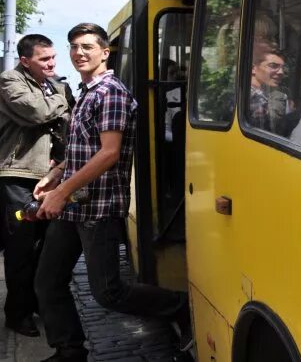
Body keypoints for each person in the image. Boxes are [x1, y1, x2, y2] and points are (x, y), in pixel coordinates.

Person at [32, 23, 190, 362]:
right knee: (47, 281)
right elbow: (81, 148)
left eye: (87, 46)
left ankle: (180, 306)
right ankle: (69, 351)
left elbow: (108, 153)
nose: (78, 53)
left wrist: (61, 193)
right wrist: (54, 176)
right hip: (75, 206)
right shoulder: (88, 91)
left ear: (105, 52)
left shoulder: (110, 92)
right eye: (74, 46)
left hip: (98, 209)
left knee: (108, 293)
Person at [0, 34, 73, 338]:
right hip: (17, 175)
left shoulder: (52, 84)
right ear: (25, 60)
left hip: (50, 175)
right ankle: (17, 314)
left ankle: (39, 304)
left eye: (53, 57)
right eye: (44, 59)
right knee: (21, 248)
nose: (52, 64)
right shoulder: (9, 80)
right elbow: (38, 113)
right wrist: (62, 97)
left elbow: (70, 121)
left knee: (44, 247)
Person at [249, 43, 291, 133]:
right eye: (273, 66)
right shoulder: (240, 97)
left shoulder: (280, 97)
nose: (281, 72)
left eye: (282, 68)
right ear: (253, 68)